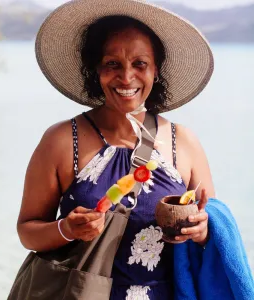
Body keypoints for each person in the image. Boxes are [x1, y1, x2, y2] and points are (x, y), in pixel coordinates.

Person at [16, 0, 253, 299]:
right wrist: (67, 229)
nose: (126, 77)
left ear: (156, 71)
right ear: (96, 70)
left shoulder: (184, 143)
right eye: (112, 64)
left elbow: (210, 227)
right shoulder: (63, 141)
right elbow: (27, 231)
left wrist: (203, 231)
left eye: (139, 64)